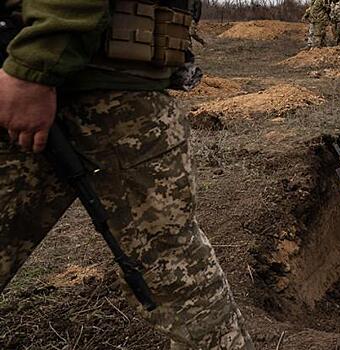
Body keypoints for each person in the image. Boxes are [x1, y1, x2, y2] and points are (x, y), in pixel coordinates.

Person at [0, 1, 254, 349]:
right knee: (178, 272)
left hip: (83, 84)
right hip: (109, 82)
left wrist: (34, 64)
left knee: (176, 274)